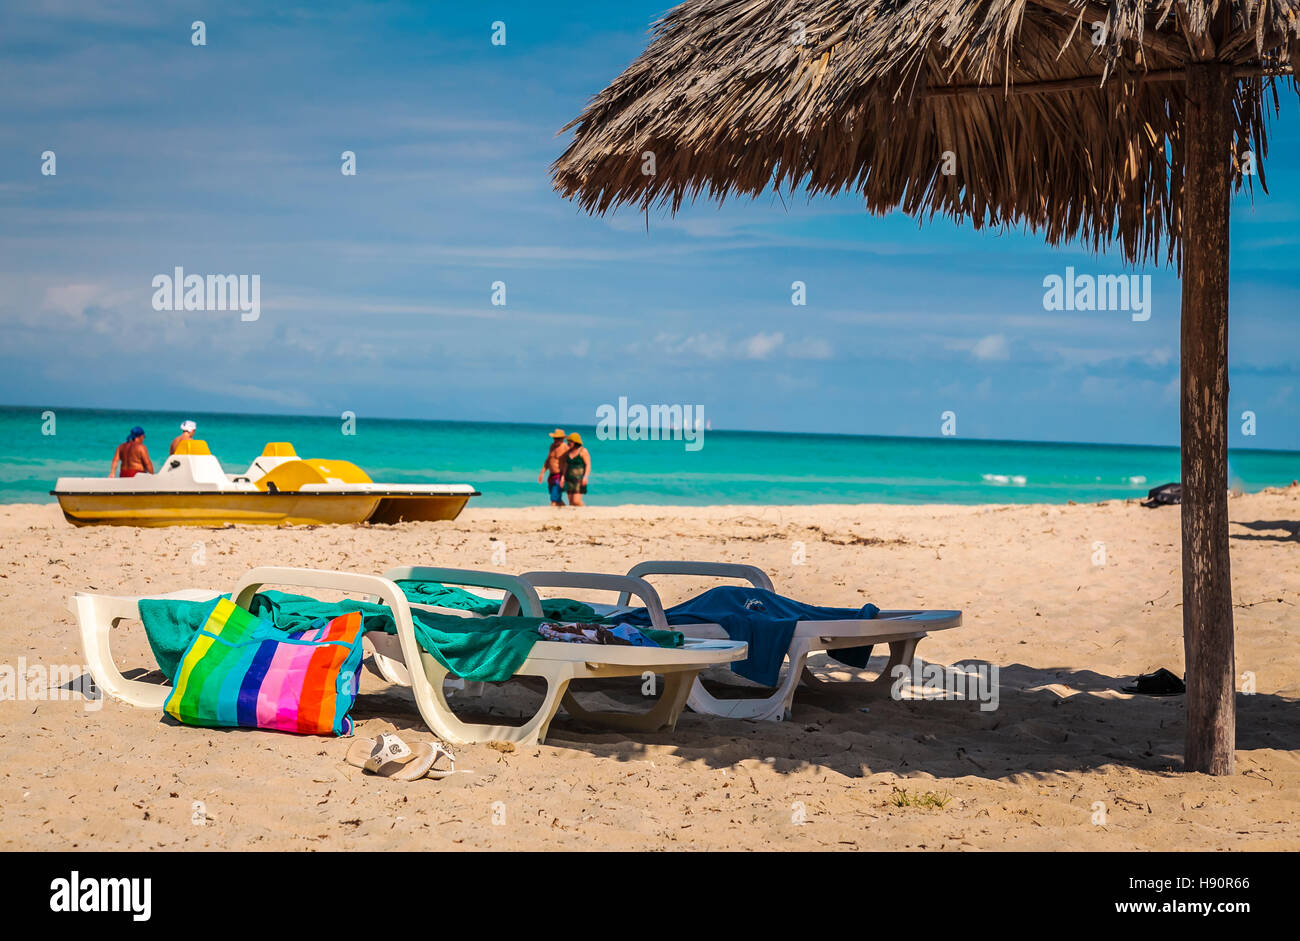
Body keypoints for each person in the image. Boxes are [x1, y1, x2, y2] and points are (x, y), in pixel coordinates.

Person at [537, 429, 569, 507]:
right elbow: (548, 460)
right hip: (551, 475)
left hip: (559, 476)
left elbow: (567, 463)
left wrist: (563, 477)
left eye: (558, 438)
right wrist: (542, 473)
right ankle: (568, 512)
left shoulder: (565, 448)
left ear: (562, 439)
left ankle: (551, 516)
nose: (555, 440)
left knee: (553, 499)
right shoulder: (552, 446)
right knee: (557, 499)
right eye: (554, 438)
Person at [563, 432, 591, 507]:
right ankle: (575, 517)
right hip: (569, 479)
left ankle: (585, 509)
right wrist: (563, 477)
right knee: (571, 502)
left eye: (570, 441)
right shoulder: (568, 452)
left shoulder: (583, 451)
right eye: (568, 441)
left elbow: (588, 464)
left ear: (575, 442)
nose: (568, 443)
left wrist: (586, 477)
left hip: (579, 479)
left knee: (576, 501)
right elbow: (566, 465)